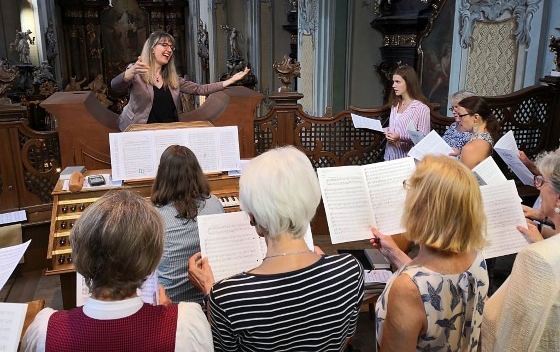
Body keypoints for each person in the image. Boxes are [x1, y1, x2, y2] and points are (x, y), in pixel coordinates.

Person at [188, 146, 364, 351]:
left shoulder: (226, 296)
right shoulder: (350, 270)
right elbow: (345, 337)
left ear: (253, 217)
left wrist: (210, 293)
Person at [21, 190, 213, 351]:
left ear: (80, 253)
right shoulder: (186, 324)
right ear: (151, 259)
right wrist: (168, 317)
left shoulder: (43, 331)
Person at [371, 155, 488, 351]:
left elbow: (420, 288)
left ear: (422, 208)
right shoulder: (476, 256)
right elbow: (435, 277)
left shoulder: (407, 289)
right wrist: (394, 253)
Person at [481, 151, 560, 351]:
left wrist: (477, 295)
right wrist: (540, 230)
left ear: (558, 200)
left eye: (541, 182)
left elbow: (506, 324)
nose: (538, 187)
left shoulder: (536, 257)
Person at [111, 30, 249, 131]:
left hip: (168, 129)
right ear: (152, 48)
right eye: (165, 45)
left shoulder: (173, 79)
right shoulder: (136, 71)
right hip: (138, 129)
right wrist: (129, 73)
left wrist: (230, 80)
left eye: (171, 47)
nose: (169, 50)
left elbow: (200, 89)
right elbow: (115, 86)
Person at [151, 145, 224, 304]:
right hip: (209, 297)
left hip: (172, 303)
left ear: (162, 175)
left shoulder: (154, 216)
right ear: (197, 172)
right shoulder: (214, 203)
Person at [384, 65, 431, 160]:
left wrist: (400, 137)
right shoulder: (395, 105)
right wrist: (386, 131)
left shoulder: (421, 108)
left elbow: (423, 139)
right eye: (393, 82)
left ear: (408, 83)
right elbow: (395, 127)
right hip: (389, 156)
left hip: (407, 159)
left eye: (397, 82)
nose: (393, 85)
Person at [456, 96, 501, 169]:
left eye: (460, 115)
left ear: (476, 117)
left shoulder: (472, 148)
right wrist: (459, 153)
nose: (457, 119)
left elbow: (461, 175)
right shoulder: (488, 132)